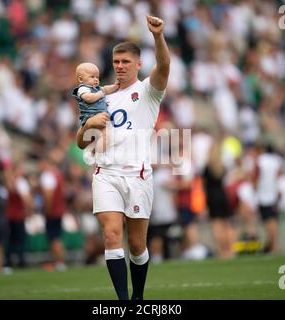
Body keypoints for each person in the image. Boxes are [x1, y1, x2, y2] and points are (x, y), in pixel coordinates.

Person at [76, 15, 170, 300]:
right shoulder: (101, 96)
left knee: (138, 245)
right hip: (105, 173)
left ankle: (138, 297)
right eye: (116, 62)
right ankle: (123, 301)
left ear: (138, 64)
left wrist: (157, 37)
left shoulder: (148, 91)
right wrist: (87, 127)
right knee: (112, 236)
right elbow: (82, 143)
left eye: (125, 62)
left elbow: (165, 65)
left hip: (138, 174)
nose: (119, 66)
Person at [72, 62, 119, 154]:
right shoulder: (83, 89)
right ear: (81, 79)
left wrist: (115, 86)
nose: (96, 79)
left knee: (103, 135)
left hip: (100, 116)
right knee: (104, 135)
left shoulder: (97, 89)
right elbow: (89, 98)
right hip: (91, 116)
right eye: (92, 77)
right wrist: (101, 93)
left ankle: (95, 150)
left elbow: (106, 89)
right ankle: (98, 154)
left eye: (97, 77)